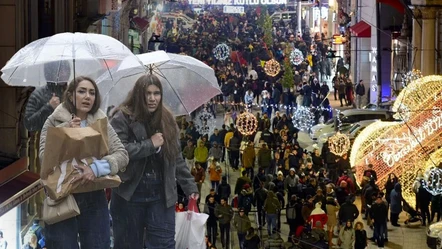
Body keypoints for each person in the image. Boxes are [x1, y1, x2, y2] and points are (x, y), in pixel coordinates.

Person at [39, 76, 129, 249]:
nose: (87, 96)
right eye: (82, 91)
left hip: (94, 195)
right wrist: (65, 132)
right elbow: (44, 159)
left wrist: (96, 169)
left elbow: (122, 155)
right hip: (62, 197)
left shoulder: (101, 123)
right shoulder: (53, 121)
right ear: (71, 95)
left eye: (92, 92)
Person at [109, 74, 198, 248]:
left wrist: (190, 186)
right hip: (129, 196)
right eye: (147, 93)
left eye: (156, 93)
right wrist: (150, 144)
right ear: (138, 95)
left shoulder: (167, 119)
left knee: (164, 244)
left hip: (161, 197)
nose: (152, 98)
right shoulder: (121, 118)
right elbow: (118, 152)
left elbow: (176, 157)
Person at [24, 61, 70, 131]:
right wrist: (49, 107)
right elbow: (29, 124)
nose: (64, 73)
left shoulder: (71, 93)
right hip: (45, 138)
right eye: (60, 70)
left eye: (67, 70)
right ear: (51, 71)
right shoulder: (38, 94)